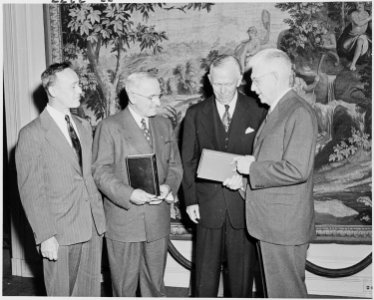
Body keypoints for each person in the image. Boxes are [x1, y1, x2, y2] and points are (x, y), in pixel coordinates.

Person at [225, 48, 318, 298]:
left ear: (275, 77)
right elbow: (275, 167)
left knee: (286, 293)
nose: (252, 87)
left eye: (255, 79)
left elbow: (297, 169)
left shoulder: (298, 112)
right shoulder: (279, 111)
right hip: (273, 224)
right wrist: (244, 184)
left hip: (283, 227)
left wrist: (251, 168)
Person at [15, 62, 106, 296]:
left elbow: (88, 176)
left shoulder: (84, 126)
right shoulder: (31, 134)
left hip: (91, 226)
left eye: (79, 85)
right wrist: (46, 236)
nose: (81, 91)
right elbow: (31, 192)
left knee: (89, 294)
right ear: (53, 90)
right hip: (60, 233)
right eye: (74, 86)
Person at [182, 54, 267, 297]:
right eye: (217, 83)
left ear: (240, 79)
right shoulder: (195, 114)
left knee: (241, 280)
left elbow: (263, 158)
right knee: (204, 280)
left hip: (243, 205)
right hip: (207, 206)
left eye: (228, 83)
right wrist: (190, 201)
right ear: (209, 79)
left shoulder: (258, 110)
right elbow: (187, 160)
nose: (222, 89)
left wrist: (247, 182)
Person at [92, 72, 183, 297]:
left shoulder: (164, 125)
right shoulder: (110, 126)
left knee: (155, 287)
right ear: (132, 96)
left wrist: (168, 186)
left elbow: (175, 166)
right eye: (151, 97)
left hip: (157, 219)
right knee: (124, 288)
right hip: (125, 221)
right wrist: (129, 194)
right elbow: (100, 171)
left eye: (159, 96)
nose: (158, 102)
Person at [337, 2, 372, 71]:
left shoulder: (368, 13)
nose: (358, 6)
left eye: (360, 3)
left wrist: (371, 19)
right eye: (356, 5)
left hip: (362, 36)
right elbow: (358, 24)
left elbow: (371, 28)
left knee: (360, 41)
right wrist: (369, 18)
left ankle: (353, 64)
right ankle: (352, 60)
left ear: (364, 4)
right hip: (352, 36)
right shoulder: (353, 14)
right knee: (344, 47)